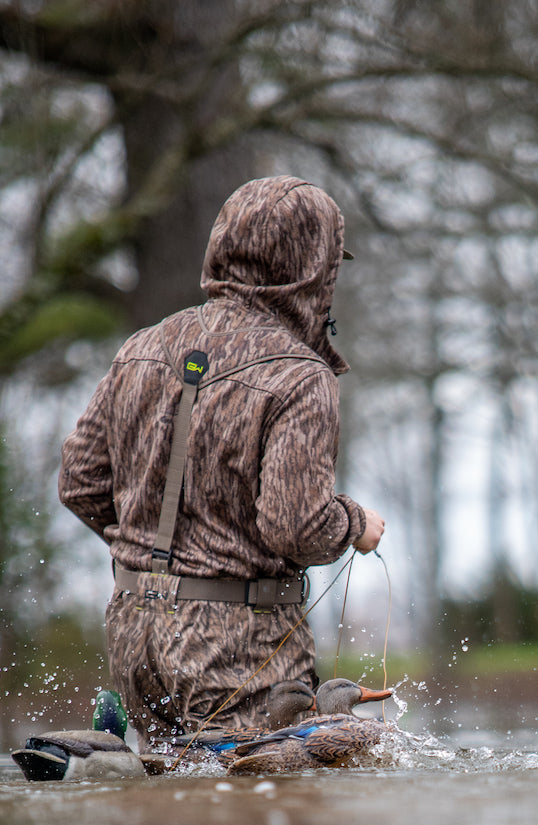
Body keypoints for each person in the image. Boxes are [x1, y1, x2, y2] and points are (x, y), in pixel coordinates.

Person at [58, 175, 384, 751]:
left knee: (170, 810)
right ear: (315, 270)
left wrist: (158, 551)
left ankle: (104, 756)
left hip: (134, 631)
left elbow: (80, 483)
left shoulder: (141, 347)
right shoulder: (300, 374)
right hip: (239, 644)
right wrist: (355, 524)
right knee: (279, 810)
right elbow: (297, 527)